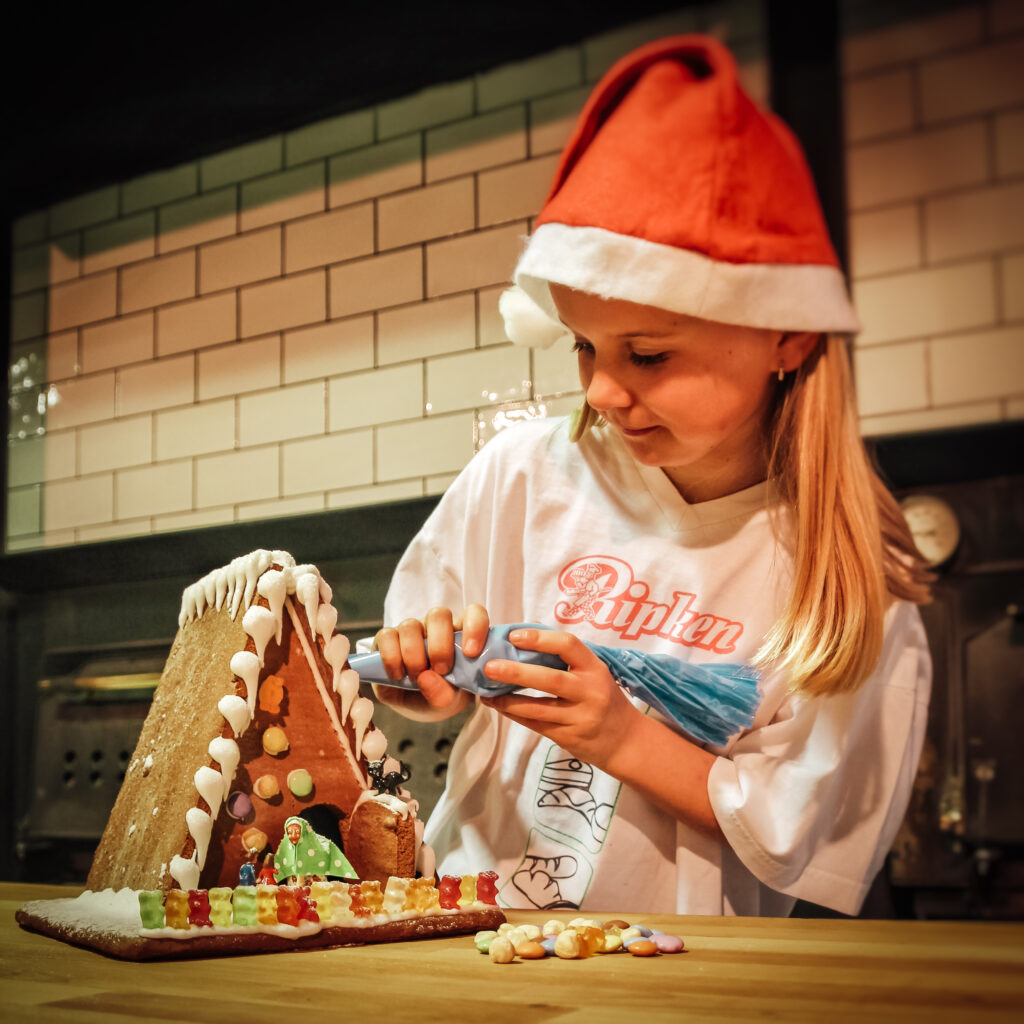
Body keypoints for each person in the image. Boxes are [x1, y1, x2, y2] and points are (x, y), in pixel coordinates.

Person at [367, 34, 932, 917]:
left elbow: (793, 839)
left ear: (789, 338)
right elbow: (419, 687)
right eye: (586, 346)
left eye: (650, 353)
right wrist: (422, 677)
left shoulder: (853, 582)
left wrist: (620, 734)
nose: (599, 387)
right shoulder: (522, 476)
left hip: (687, 980)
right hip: (464, 932)